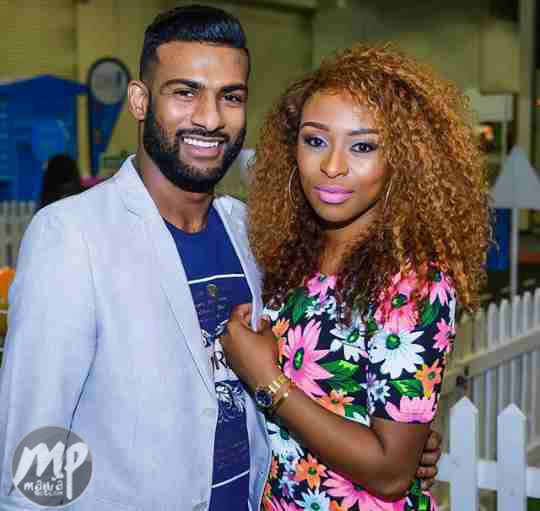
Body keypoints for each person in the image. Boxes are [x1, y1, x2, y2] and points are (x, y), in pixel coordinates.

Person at [0, 7, 440, 511]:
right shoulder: (73, 236)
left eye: (230, 97)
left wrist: (397, 433)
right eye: (185, 92)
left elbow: (306, 374)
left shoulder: (251, 232)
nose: (210, 119)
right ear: (140, 100)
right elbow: (30, 459)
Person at [222, 44, 491, 511]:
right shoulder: (291, 258)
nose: (332, 166)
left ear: (403, 160)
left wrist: (267, 381)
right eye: (315, 140)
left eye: (362, 146)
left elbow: (390, 473)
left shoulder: (412, 284)